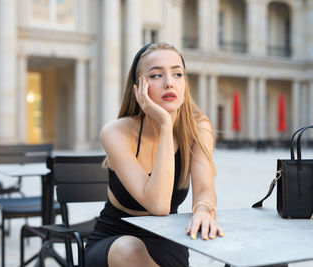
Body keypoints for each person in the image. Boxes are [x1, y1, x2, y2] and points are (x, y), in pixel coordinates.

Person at [85, 42, 223, 267]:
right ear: (138, 89)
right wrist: (165, 126)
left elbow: (205, 188)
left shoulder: (198, 128)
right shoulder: (116, 132)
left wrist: (204, 210)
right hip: (115, 242)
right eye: (157, 75)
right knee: (130, 250)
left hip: (167, 241)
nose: (169, 82)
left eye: (178, 74)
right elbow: (159, 206)